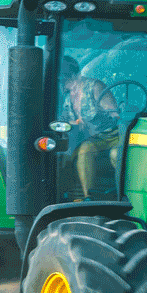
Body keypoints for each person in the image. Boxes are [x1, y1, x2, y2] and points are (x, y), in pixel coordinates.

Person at [58, 56, 121, 199]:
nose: (65, 85)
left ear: (74, 75)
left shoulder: (95, 86)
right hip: (90, 139)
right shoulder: (68, 96)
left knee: (96, 151)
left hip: (111, 135)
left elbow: (115, 115)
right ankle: (88, 197)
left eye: (67, 81)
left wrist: (91, 121)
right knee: (78, 152)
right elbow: (67, 120)